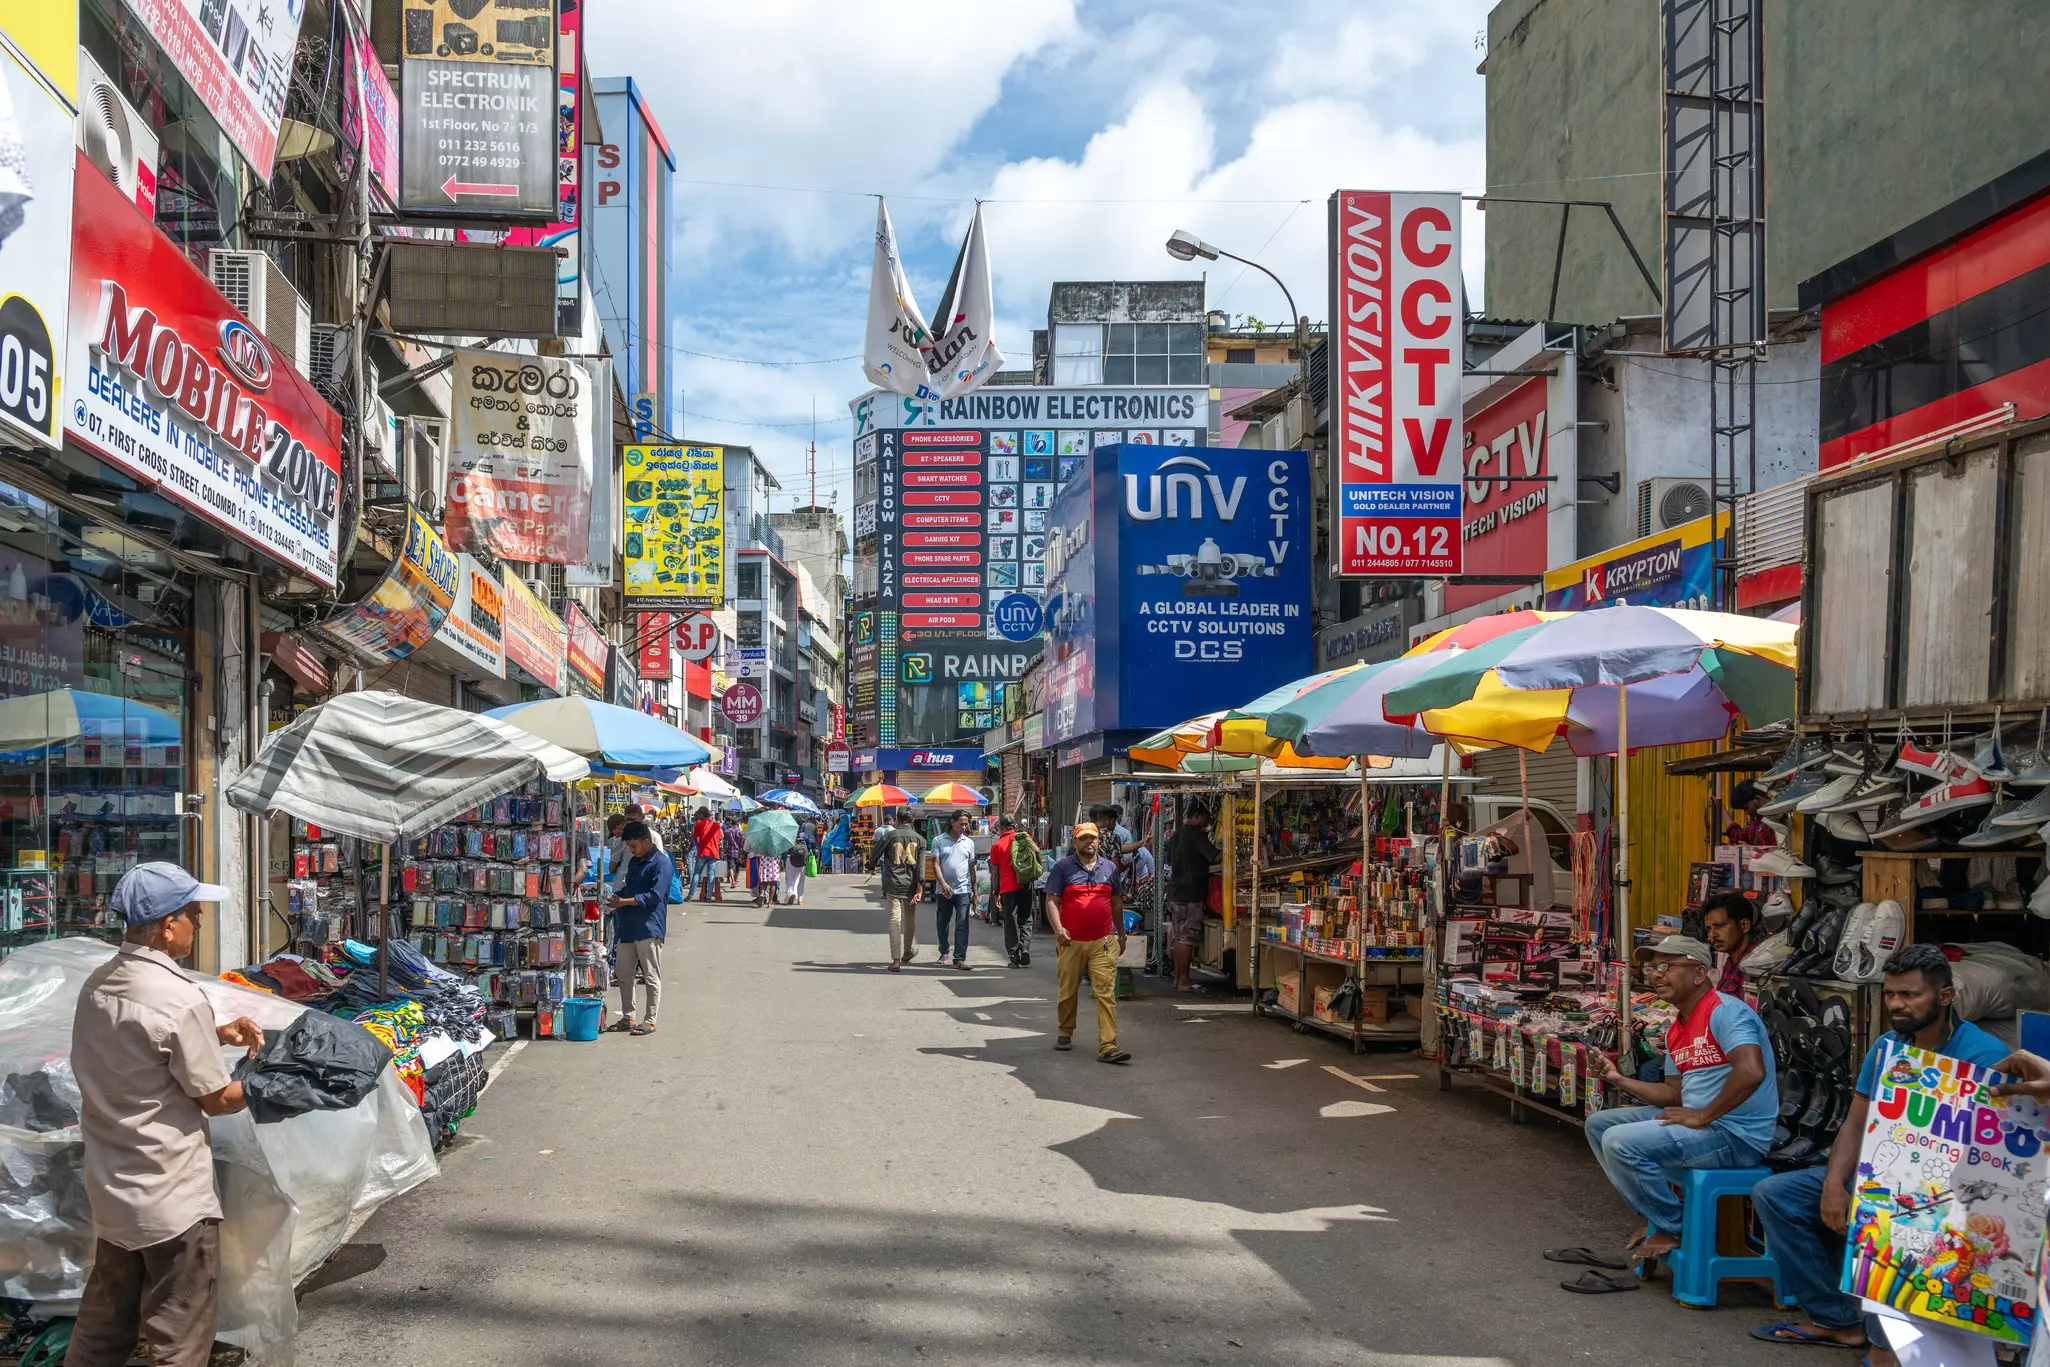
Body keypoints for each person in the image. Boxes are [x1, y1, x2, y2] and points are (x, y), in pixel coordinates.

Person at [1748, 944, 2009, 1358]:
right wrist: (1834, 1184)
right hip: (1881, 1175)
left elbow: (1994, 1155)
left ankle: (1885, 1346)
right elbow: (1856, 1121)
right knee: (1775, 1194)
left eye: (1910, 994)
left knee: (1894, 1215)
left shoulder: (1984, 1056)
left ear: (1945, 996)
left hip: (1947, 1194)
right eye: (1890, 994)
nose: (1896, 1004)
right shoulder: (1888, 1047)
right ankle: (1837, 1319)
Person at [67, 863, 264, 1367]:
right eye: (193, 914)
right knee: (179, 1338)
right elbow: (216, 1100)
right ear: (167, 925)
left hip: (113, 1193)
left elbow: (139, 1051)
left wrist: (216, 1035)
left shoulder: (98, 984)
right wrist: (270, 1081)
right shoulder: (177, 997)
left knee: (102, 1330)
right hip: (171, 1201)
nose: (198, 923)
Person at [1579, 935, 1776, 1280]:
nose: (1656, 974)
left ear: (1699, 973)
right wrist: (1619, 1080)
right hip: (1700, 1126)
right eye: (1653, 967)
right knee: (1599, 1125)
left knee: (1620, 1142)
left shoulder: (1725, 1011)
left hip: (1735, 1135)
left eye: (1667, 966)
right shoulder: (1677, 1029)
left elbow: (1751, 1071)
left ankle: (1673, 1226)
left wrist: (1703, 1115)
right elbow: (1673, 1095)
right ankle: (1657, 1216)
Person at [1042, 822, 1130, 1064]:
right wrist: (1058, 929)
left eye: (1093, 838)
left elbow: (1116, 903)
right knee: (1067, 992)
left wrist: (1121, 934)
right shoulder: (1063, 868)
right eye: (1083, 838)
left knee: (1105, 993)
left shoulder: (1109, 867)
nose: (1089, 842)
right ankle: (1065, 1031)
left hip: (1103, 941)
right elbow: (1051, 901)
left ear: (1099, 841)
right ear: (1075, 842)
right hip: (1071, 942)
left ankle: (1109, 1045)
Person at [606, 821, 673, 1037]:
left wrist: (624, 901)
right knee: (624, 974)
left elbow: (655, 895)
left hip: (649, 927)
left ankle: (650, 1021)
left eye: (633, 845)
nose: (631, 850)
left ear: (646, 841)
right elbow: (630, 888)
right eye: (629, 846)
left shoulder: (662, 863)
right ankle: (628, 1017)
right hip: (628, 927)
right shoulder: (635, 862)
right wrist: (617, 897)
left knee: (651, 976)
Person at [1164, 804, 1220, 990]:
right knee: (1187, 937)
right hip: (1190, 894)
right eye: (1206, 818)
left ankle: (1177, 979)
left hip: (1175, 893)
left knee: (1178, 936)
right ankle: (1184, 979)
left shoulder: (1176, 834)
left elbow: (1169, 860)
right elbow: (1215, 857)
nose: (1207, 823)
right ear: (1197, 816)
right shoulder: (1196, 834)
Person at [869, 809, 926, 970]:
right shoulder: (920, 840)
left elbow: (874, 854)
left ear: (897, 819)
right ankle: (907, 952)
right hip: (911, 886)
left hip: (892, 883)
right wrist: (920, 889)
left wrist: (871, 866)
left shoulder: (889, 836)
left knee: (895, 919)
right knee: (909, 918)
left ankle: (896, 960)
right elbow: (921, 868)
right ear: (912, 820)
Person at [990, 815, 1041, 968]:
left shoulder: (997, 845)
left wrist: (995, 891)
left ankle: (1014, 956)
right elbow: (1037, 851)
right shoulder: (1024, 838)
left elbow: (995, 873)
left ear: (1001, 827)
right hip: (1025, 883)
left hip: (1007, 887)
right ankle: (1024, 948)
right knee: (1025, 918)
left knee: (1009, 921)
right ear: (1015, 826)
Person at [931, 809, 978, 969]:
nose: (964, 827)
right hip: (943, 890)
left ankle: (959, 958)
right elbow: (935, 864)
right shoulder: (938, 840)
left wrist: (975, 889)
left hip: (963, 890)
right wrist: (943, 884)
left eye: (966, 824)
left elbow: (971, 867)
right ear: (952, 822)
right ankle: (944, 951)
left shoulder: (969, 843)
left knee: (962, 923)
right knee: (942, 922)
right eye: (961, 824)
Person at [1700, 890, 1765, 998]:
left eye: (1719, 926)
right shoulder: (1732, 960)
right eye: (1709, 929)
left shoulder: (1755, 965)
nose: (1712, 935)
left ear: (1744, 925)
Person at [1723, 781, 1777, 846]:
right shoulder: (1758, 822)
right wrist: (1720, 807)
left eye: (1746, 808)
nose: (1746, 812)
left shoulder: (1776, 821)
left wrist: (1750, 850)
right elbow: (1740, 836)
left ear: (1758, 799)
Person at [691, 806, 723, 902]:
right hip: (713, 853)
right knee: (711, 875)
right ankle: (708, 897)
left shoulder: (699, 825)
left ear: (701, 814)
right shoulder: (716, 825)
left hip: (702, 852)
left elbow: (694, 837)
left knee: (697, 873)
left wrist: (698, 845)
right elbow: (720, 838)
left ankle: (690, 894)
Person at [782, 821, 810, 906]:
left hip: (790, 860)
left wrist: (782, 860)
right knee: (801, 880)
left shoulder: (788, 837)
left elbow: (784, 851)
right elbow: (810, 848)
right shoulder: (805, 837)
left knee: (790, 879)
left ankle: (791, 893)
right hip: (802, 861)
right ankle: (800, 899)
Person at [723, 816, 747, 890]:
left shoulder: (727, 831)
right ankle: (735, 881)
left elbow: (724, 842)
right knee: (737, 867)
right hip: (738, 852)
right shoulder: (740, 832)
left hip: (729, 851)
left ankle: (732, 880)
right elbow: (743, 842)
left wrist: (725, 850)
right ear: (738, 823)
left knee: (730, 867)